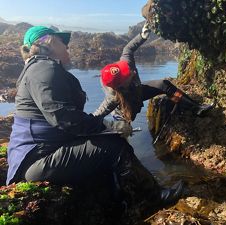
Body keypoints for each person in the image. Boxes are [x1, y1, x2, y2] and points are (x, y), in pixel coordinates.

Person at [6, 26, 183, 207]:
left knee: (106, 143)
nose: (67, 47)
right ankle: (153, 197)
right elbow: (65, 119)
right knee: (114, 146)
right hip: (35, 160)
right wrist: (109, 126)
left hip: (41, 153)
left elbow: (67, 120)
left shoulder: (37, 69)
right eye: (63, 42)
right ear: (49, 42)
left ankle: (119, 197)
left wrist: (103, 127)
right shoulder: (43, 70)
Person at [94, 22, 214, 124]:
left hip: (137, 90)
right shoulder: (113, 98)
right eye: (127, 74)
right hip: (123, 105)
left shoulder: (126, 62)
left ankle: (197, 108)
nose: (131, 71)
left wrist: (142, 36)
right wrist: (85, 125)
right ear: (121, 85)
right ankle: (122, 125)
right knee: (124, 124)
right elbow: (99, 114)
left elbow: (128, 49)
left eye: (125, 68)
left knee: (164, 84)